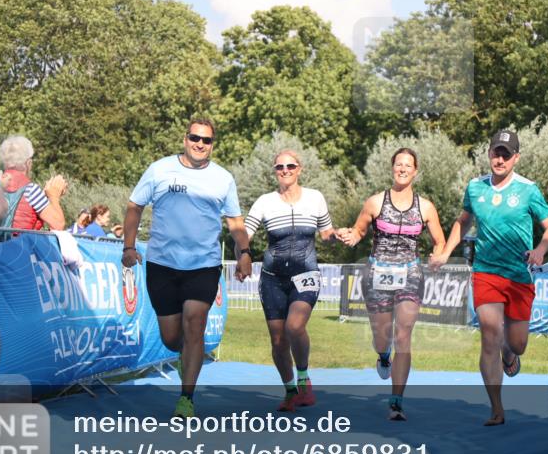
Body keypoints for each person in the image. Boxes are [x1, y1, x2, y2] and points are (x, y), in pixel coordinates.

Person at [122, 118, 252, 418]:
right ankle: (186, 355)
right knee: (171, 338)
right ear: (185, 139)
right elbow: (134, 206)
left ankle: (186, 399)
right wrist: (128, 247)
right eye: (195, 138)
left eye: (207, 140)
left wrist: (245, 252)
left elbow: (235, 221)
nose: (200, 144)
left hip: (203, 264)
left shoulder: (223, 178)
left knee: (195, 324)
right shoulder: (159, 169)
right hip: (162, 264)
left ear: (212, 144)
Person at [431, 130, 548, 426]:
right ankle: (497, 408)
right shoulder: (475, 187)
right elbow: (463, 222)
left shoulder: (529, 190)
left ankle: (509, 354)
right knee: (490, 333)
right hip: (486, 272)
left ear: (516, 158)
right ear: (488, 153)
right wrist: (445, 252)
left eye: (506, 154)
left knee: (517, 343)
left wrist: (540, 250)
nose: (500, 159)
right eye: (495, 153)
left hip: (518, 276)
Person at [336, 148, 446, 421]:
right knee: (382, 337)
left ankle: (396, 401)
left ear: (415, 171)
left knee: (403, 334)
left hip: (410, 274)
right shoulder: (375, 202)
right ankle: (383, 355)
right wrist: (351, 236)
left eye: (408, 165)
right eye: (399, 164)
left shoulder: (426, 207)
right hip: (377, 274)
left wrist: (437, 255)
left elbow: (440, 241)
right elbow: (359, 230)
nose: (403, 169)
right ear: (392, 168)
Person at [244, 150, 337, 411]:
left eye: (290, 166)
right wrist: (243, 255)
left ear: (299, 169)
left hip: (306, 273)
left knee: (294, 327)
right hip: (272, 278)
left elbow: (326, 233)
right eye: (280, 167)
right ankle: (290, 391)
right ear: (275, 171)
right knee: (278, 340)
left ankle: (304, 379)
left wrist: (339, 235)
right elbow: (244, 233)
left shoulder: (315, 198)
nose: (285, 170)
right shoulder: (265, 202)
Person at [0, 135, 67, 231]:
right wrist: (54, 196)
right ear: (28, 163)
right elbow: (58, 224)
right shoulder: (31, 190)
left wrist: (44, 197)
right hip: (19, 240)